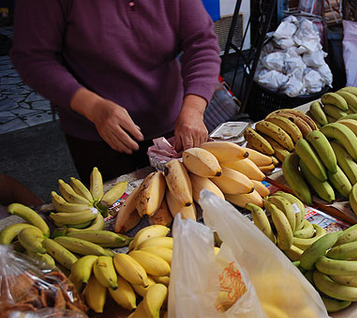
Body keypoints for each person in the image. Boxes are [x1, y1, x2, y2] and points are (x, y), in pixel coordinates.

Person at [10, 0, 222, 185]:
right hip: (94, 133)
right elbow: (34, 58)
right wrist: (92, 107)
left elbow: (201, 43)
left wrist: (194, 109)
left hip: (169, 123)